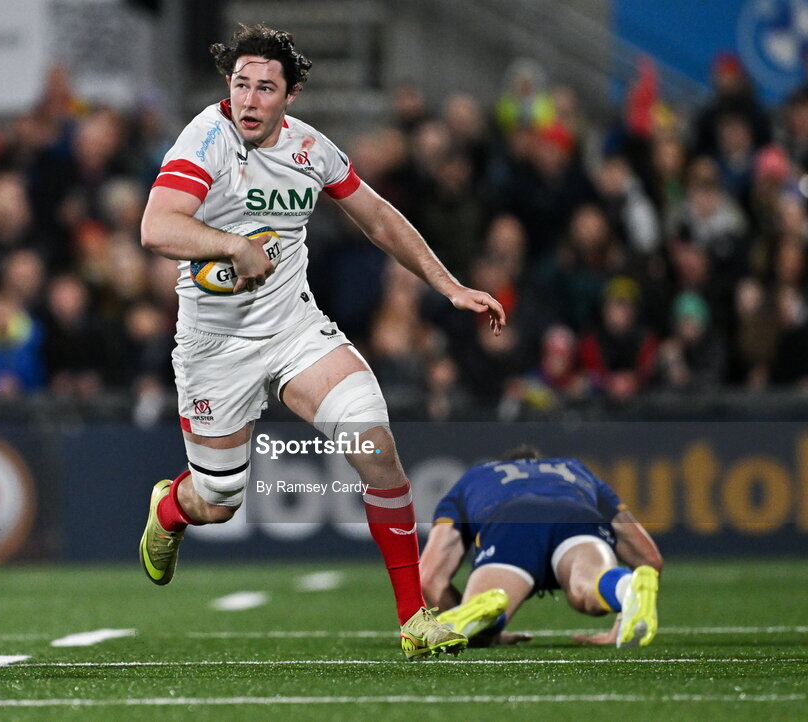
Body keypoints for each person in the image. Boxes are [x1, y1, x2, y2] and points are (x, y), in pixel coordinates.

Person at [138, 24, 505, 659]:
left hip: (294, 330)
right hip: (213, 347)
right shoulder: (206, 138)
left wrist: (449, 287)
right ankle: (170, 509)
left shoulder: (310, 150)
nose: (248, 101)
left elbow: (380, 219)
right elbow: (155, 226)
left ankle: (414, 620)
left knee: (375, 445)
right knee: (218, 500)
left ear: (292, 94)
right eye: (240, 85)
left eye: (265, 88)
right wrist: (230, 243)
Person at [419, 446, 662, 648]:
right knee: (588, 589)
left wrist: (477, 633)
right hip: (576, 516)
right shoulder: (575, 469)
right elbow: (648, 558)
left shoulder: (475, 477)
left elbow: (429, 577)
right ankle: (625, 587)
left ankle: (479, 615)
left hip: (512, 521)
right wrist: (621, 626)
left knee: (484, 620)